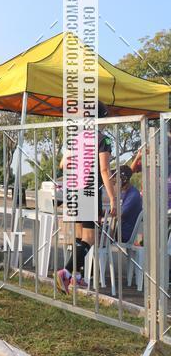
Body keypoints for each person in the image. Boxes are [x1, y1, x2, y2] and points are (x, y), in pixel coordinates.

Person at [57, 102, 115, 293]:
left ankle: (77, 277)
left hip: (74, 190)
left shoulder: (77, 138)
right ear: (101, 118)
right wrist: (113, 198)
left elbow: (63, 165)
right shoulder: (103, 140)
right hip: (89, 191)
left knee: (80, 236)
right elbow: (104, 170)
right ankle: (66, 272)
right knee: (90, 238)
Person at [114, 164, 142, 243]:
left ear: (123, 179)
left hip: (124, 235)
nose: (115, 180)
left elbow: (118, 214)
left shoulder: (133, 195)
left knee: (94, 233)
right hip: (118, 232)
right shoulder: (123, 192)